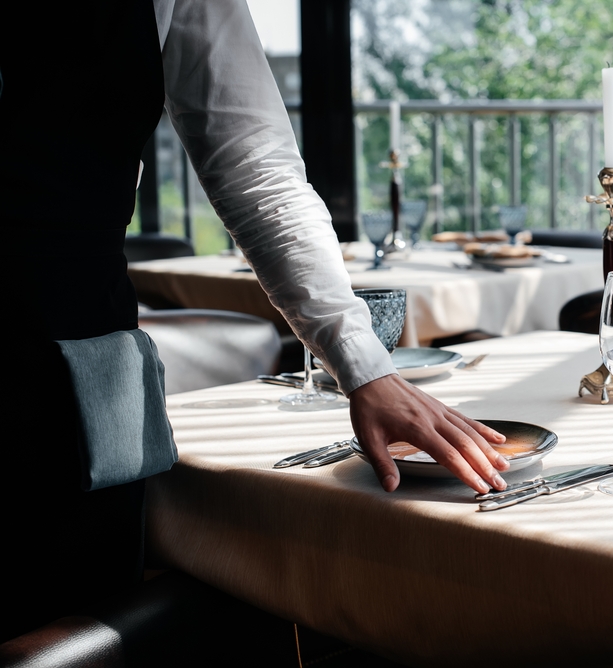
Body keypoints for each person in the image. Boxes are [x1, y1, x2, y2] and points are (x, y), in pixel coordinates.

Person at [0, 0, 506, 642]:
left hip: (77, 352)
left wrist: (365, 365)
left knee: (74, 622)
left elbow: (254, 163)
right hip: (76, 337)